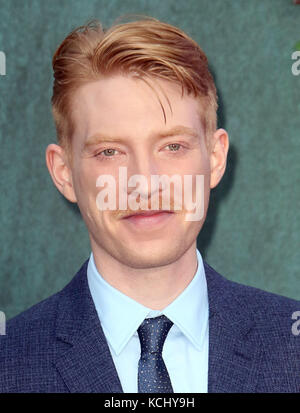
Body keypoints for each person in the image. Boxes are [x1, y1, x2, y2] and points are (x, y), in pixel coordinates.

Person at [0, 16, 299, 393]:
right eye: (109, 152)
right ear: (63, 173)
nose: (144, 182)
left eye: (172, 146)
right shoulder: (8, 364)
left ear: (216, 158)